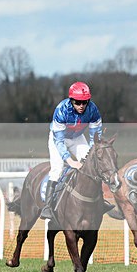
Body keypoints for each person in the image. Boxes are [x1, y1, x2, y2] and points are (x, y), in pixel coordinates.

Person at [41, 81, 102, 219]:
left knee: (93, 163)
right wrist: (70, 161)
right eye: (77, 102)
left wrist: (92, 153)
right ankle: (48, 206)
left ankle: (100, 200)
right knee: (58, 168)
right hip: (59, 139)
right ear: (71, 100)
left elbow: (95, 136)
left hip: (77, 137)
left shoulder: (93, 110)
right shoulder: (61, 110)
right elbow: (59, 141)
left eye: (84, 102)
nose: (81, 106)